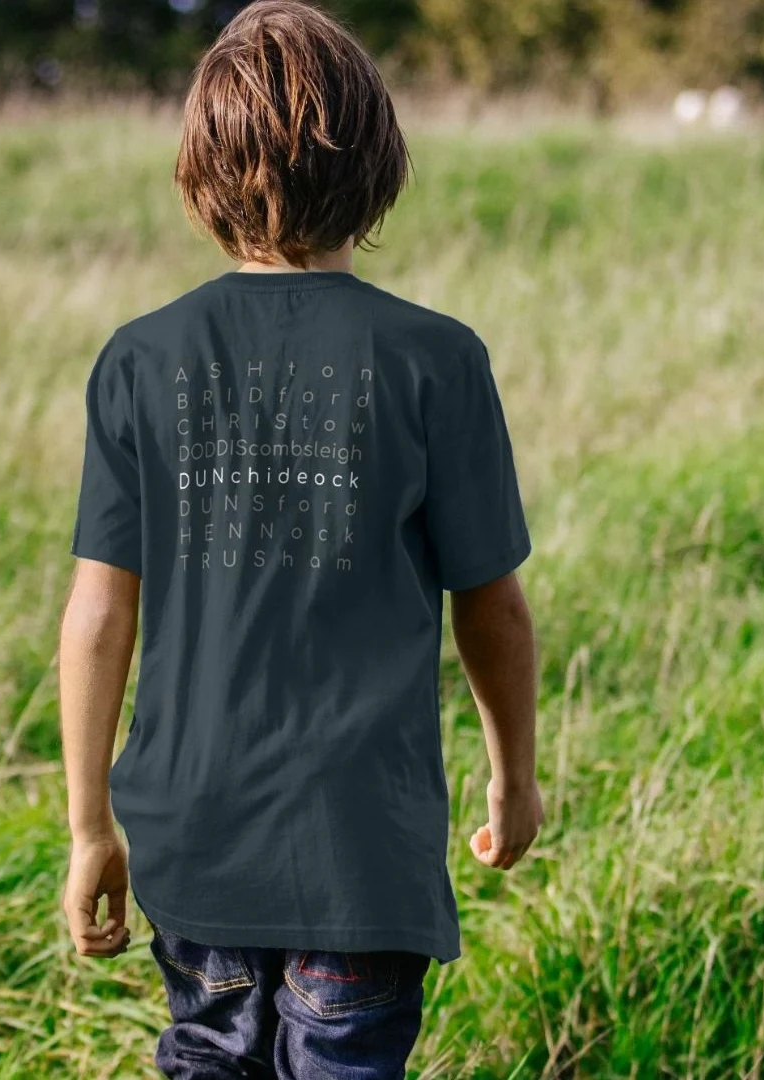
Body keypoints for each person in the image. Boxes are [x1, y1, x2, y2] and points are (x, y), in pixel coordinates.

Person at [58, 2, 544, 1077]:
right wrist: (515, 777)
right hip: (364, 850)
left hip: (194, 840)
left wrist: (91, 826)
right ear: (378, 163)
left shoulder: (141, 358)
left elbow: (98, 614)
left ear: (201, 171)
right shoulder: (437, 360)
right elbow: (493, 605)